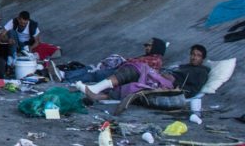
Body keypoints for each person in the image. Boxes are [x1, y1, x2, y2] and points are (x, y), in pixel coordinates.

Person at [74, 44, 209, 103]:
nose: (194, 57)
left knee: (138, 67)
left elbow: (193, 90)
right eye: (192, 54)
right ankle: (95, 96)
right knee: (131, 81)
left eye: (197, 55)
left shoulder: (201, 72)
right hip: (160, 79)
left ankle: (95, 89)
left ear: (203, 58)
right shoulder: (185, 66)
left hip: (168, 85)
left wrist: (178, 91)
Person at [54, 38, 167, 83]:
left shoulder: (155, 60)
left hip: (123, 76)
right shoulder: (149, 57)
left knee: (95, 74)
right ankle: (64, 74)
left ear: (157, 47)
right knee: (91, 69)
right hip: (121, 72)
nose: (146, 47)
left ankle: (66, 78)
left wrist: (123, 61)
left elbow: (136, 67)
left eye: (149, 45)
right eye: (146, 45)